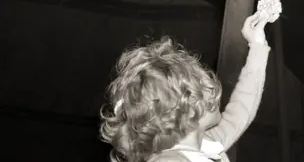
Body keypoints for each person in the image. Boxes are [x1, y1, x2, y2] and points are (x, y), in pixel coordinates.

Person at [100, 12, 270, 162]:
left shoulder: (204, 145)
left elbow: (240, 111)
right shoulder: (170, 159)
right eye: (203, 88)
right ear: (181, 110)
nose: (212, 89)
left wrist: (257, 45)